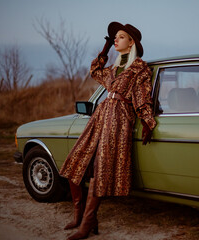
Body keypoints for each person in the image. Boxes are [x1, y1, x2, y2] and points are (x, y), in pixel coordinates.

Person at [59, 22, 156, 240]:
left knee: (99, 168)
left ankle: (87, 222)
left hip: (119, 117)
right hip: (101, 115)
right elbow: (94, 71)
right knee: (74, 161)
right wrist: (104, 52)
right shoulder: (112, 69)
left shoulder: (139, 68)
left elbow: (142, 97)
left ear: (131, 43)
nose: (116, 40)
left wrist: (147, 121)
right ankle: (79, 214)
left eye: (121, 37)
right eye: (115, 37)